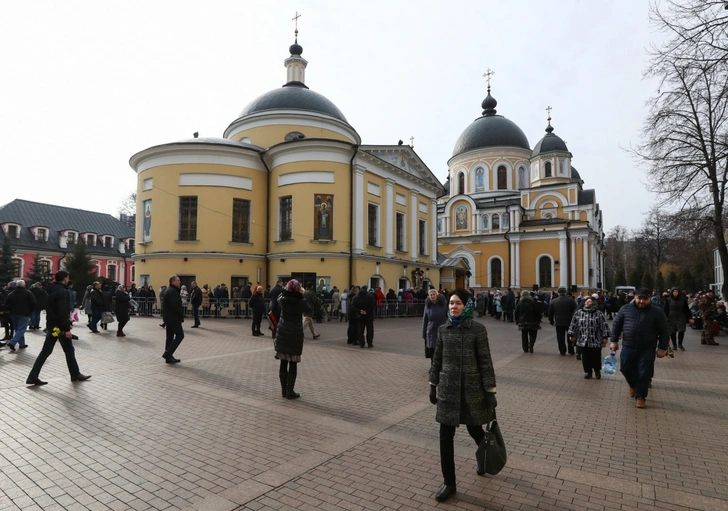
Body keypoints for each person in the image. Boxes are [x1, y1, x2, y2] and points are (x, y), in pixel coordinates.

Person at [429, 289, 497, 502]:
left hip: (471, 390)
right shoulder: (443, 329)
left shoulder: (477, 330)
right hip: (448, 392)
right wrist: (433, 384)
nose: (453, 306)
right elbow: (437, 359)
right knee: (445, 437)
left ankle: (484, 458)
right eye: (451, 303)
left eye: (458, 303)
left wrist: (490, 391)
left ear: (466, 306)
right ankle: (449, 482)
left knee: (475, 429)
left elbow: (485, 362)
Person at [26, 271, 90, 385]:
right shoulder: (62, 292)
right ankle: (75, 374)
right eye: (67, 277)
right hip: (60, 327)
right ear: (65, 278)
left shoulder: (50, 290)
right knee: (69, 350)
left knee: (46, 351)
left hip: (52, 324)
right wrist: (66, 329)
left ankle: (33, 376)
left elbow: (51, 310)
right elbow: (62, 311)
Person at [610, 288, 669, 409]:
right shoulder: (625, 309)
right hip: (628, 346)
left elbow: (664, 331)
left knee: (644, 373)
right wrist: (614, 341)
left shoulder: (657, 312)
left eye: (644, 299)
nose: (641, 301)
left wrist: (662, 348)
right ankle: (633, 385)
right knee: (624, 368)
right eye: (639, 298)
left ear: (649, 299)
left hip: (647, 348)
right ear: (635, 298)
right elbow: (616, 325)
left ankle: (640, 397)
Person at [275, 279, 312, 399]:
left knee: (283, 362)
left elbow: (280, 295)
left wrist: (286, 291)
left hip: (283, 332)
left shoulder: (282, 299)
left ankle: (283, 390)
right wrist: (301, 294)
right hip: (295, 333)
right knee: (293, 363)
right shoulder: (301, 301)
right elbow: (310, 309)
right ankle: (290, 391)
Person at [568, 296, 610, 379]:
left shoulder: (599, 313)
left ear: (594, 303)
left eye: (589, 301)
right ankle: (588, 372)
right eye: (586, 301)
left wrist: (605, 336)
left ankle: (597, 370)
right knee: (585, 357)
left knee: (596, 356)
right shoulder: (579, 312)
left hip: (595, 339)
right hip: (583, 339)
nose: (587, 303)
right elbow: (574, 324)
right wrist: (571, 334)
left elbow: (604, 325)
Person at [5, 280, 35, 351]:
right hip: (24, 314)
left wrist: (9, 310)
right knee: (21, 329)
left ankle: (22, 344)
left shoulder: (11, 294)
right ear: (24, 285)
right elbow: (33, 303)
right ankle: (12, 342)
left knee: (18, 329)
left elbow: (6, 304)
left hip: (13, 314)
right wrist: (30, 310)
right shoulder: (28, 293)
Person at [162, 275, 185, 363]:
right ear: (173, 282)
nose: (179, 282)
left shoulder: (171, 290)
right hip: (173, 318)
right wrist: (180, 314)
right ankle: (168, 353)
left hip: (169, 318)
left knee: (170, 337)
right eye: (178, 280)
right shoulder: (172, 291)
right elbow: (175, 306)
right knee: (180, 335)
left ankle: (169, 357)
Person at [548, 286, 578, 356]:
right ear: (565, 292)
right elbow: (576, 311)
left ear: (558, 293)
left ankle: (562, 350)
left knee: (560, 337)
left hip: (559, 322)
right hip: (570, 322)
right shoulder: (571, 300)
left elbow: (550, 312)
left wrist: (551, 320)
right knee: (570, 336)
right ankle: (571, 350)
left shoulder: (554, 301)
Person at [422, 289, 447, 360]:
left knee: (441, 347)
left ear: (437, 295)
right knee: (432, 348)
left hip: (442, 328)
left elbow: (448, 316)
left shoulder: (444, 304)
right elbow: (425, 319)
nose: (432, 296)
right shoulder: (428, 305)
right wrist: (424, 333)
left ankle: (441, 365)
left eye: (434, 294)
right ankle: (433, 364)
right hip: (431, 329)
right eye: (431, 295)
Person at [664, 287, 690, 351]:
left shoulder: (683, 299)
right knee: (672, 332)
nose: (675, 293)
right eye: (674, 291)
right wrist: (665, 317)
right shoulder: (668, 300)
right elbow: (665, 309)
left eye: (676, 291)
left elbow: (686, 309)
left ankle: (680, 344)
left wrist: (689, 317)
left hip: (681, 316)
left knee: (681, 331)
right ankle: (674, 344)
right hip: (671, 317)